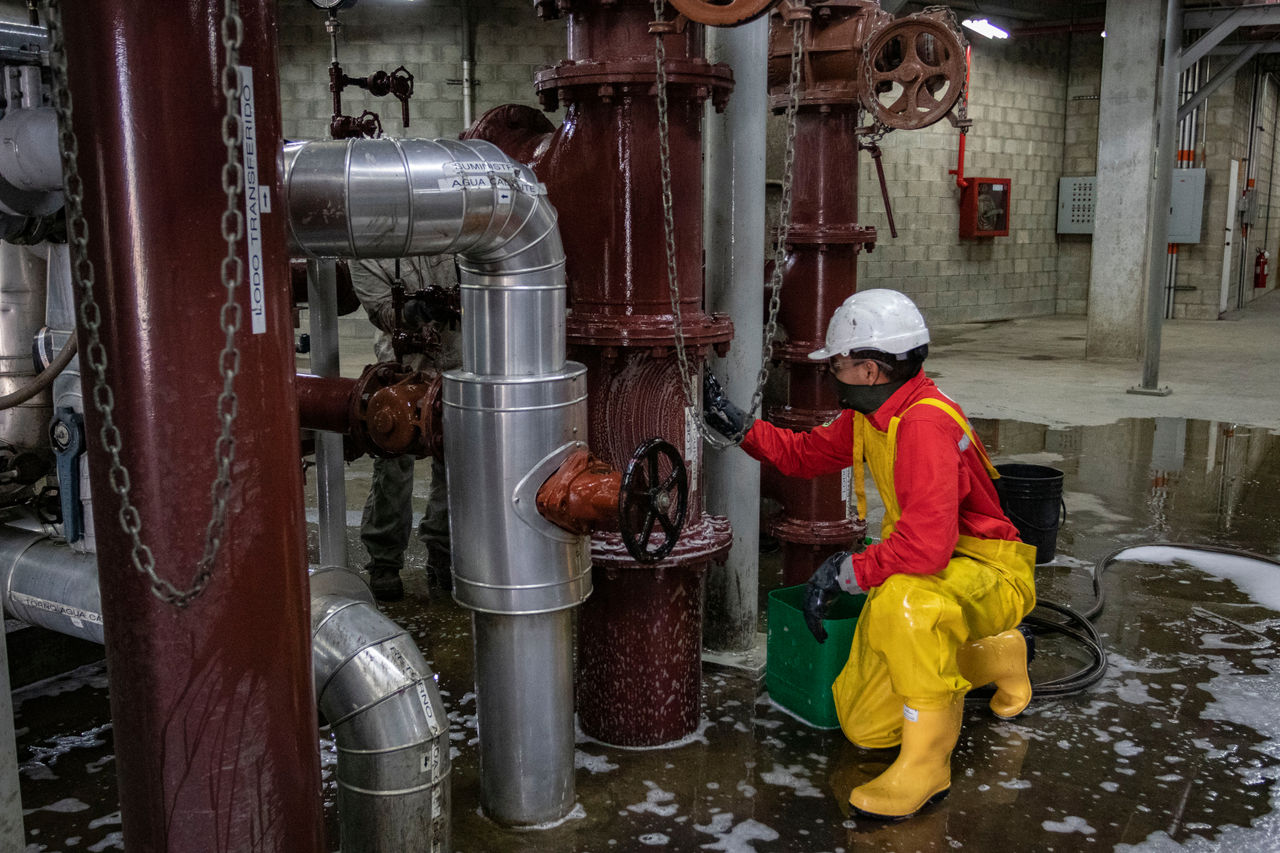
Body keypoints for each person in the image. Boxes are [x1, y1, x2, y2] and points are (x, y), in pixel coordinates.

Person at [703, 289, 1037, 820]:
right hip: (940, 566)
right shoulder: (875, 413)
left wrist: (847, 571)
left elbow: (926, 550)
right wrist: (740, 426)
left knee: (903, 604)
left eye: (838, 362)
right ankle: (998, 655)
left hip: (987, 569)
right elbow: (805, 454)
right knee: (865, 726)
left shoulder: (923, 425)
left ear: (870, 370)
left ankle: (928, 766)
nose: (832, 371)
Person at [351, 256, 461, 602]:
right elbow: (382, 310)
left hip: (458, 360)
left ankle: (443, 553)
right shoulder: (365, 253)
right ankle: (384, 562)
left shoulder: (447, 225)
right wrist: (413, 312)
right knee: (393, 463)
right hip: (402, 366)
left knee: (455, 466)